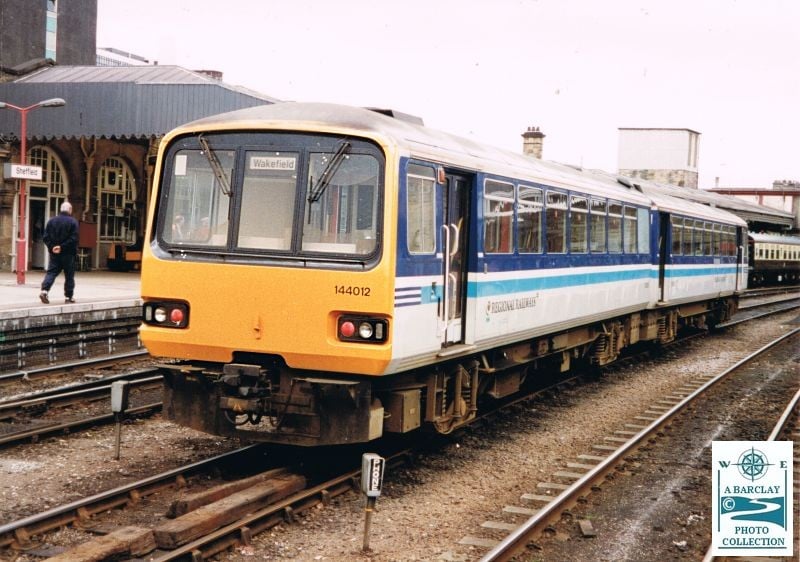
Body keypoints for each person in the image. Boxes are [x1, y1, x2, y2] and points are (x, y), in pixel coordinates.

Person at [39, 201, 79, 304]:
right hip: (68, 253)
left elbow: (45, 237)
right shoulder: (73, 222)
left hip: (54, 254)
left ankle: (44, 291)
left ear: (61, 209)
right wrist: (62, 247)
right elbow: (74, 239)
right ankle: (68, 297)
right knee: (69, 275)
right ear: (70, 210)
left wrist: (53, 247)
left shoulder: (51, 221)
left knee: (51, 272)